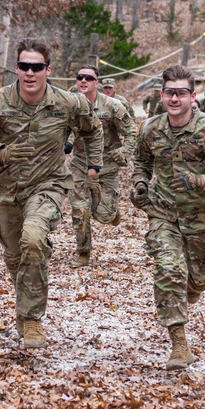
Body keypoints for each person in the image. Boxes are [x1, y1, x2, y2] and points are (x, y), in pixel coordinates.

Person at [0, 39, 104, 349]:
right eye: (24, 66)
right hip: (8, 191)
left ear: (47, 70)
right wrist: (1, 154)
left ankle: (32, 320)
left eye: (36, 67)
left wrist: (94, 165)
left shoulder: (69, 103)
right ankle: (23, 301)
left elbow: (93, 130)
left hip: (49, 186)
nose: (30, 73)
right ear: (16, 69)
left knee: (34, 239)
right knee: (16, 256)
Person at [130, 65, 205, 370]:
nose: (175, 98)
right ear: (162, 95)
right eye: (170, 93)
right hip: (163, 213)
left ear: (193, 97)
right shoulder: (150, 128)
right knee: (169, 269)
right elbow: (141, 159)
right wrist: (140, 184)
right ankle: (179, 343)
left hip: (203, 218)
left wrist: (202, 182)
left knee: (197, 280)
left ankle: (186, 296)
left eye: (181, 93)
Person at [67, 65, 136, 267]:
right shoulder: (71, 104)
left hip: (107, 164)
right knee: (80, 210)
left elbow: (132, 131)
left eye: (88, 78)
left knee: (104, 215)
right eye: (80, 77)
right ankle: (83, 252)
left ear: (96, 82)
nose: (83, 81)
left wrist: (124, 152)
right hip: (81, 162)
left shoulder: (112, 106)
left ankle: (111, 213)